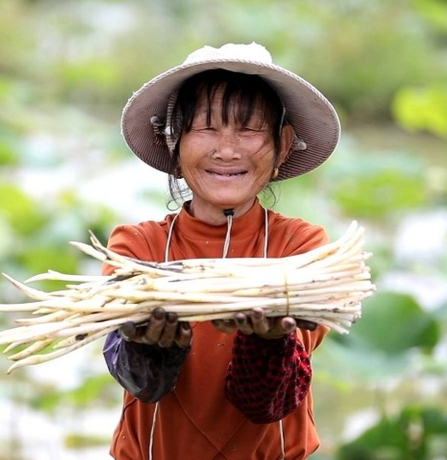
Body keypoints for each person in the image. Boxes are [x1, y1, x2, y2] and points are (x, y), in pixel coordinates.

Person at [101, 42, 340, 460]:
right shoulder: (137, 248)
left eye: (248, 130)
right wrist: (150, 345)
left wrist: (269, 341)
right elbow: (137, 379)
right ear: (173, 143)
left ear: (283, 145)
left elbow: (270, 401)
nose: (227, 150)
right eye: (206, 129)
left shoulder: (303, 252)